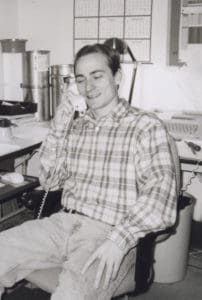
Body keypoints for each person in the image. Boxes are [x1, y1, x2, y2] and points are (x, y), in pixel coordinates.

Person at [0, 43, 177, 300]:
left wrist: (119, 239)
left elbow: (161, 195)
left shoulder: (145, 126)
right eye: (81, 79)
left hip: (109, 231)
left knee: (70, 295)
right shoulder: (77, 127)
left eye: (97, 76)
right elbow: (50, 179)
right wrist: (62, 118)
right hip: (63, 224)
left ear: (117, 77)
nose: (88, 87)